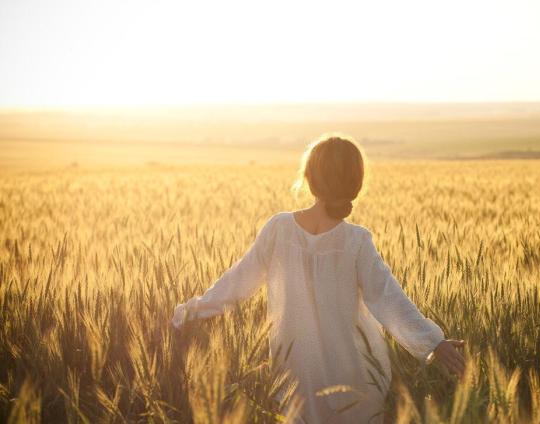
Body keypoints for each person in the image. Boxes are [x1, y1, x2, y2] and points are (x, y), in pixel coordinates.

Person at [170, 134, 465, 423]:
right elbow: (389, 300)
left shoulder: (279, 229)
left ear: (309, 178)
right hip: (354, 375)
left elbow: (236, 283)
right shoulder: (356, 241)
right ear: (356, 184)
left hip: (295, 374)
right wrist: (433, 342)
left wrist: (188, 312)